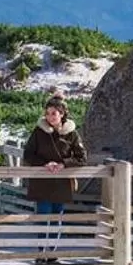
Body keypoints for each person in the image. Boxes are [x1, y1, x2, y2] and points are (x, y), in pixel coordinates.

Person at [22, 96, 86, 249]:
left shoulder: (72, 134)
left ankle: (52, 253)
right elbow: (28, 154)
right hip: (42, 182)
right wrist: (45, 164)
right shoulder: (39, 132)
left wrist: (63, 164)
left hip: (61, 182)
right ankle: (41, 251)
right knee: (43, 217)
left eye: (54, 113)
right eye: (48, 113)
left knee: (57, 218)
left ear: (62, 114)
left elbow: (82, 158)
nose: (50, 117)